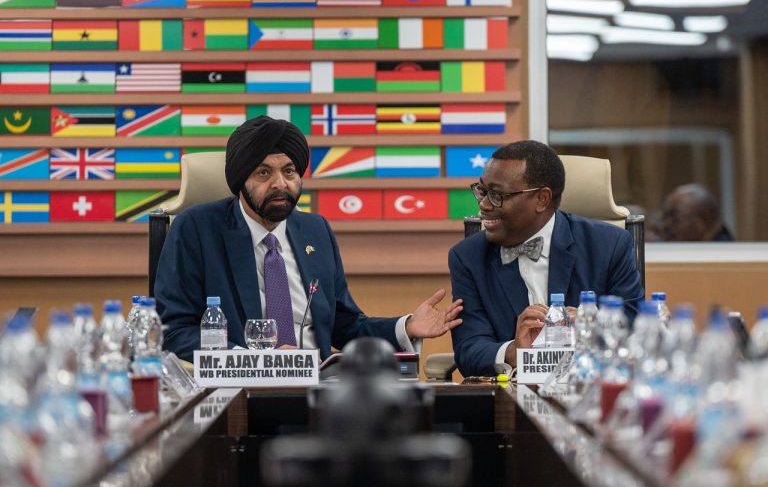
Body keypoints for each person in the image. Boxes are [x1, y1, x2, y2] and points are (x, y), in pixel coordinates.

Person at [155, 116, 463, 363]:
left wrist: (406, 326)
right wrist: (255, 361)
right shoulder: (196, 229)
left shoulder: (315, 230)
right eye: (263, 173)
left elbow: (343, 324)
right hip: (242, 388)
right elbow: (175, 330)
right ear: (240, 180)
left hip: (320, 386)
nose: (280, 184)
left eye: (289, 171)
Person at [449, 141, 643, 377]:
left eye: (497, 195)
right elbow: (469, 349)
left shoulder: (609, 245)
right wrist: (515, 351)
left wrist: (590, 328)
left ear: (541, 199)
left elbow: (634, 329)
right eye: (482, 191)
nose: (484, 204)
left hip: (590, 385)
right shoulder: (468, 257)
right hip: (511, 391)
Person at [660, 183, 733, 241]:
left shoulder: (727, 253)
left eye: (676, 218)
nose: (666, 224)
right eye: (664, 217)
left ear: (705, 220)